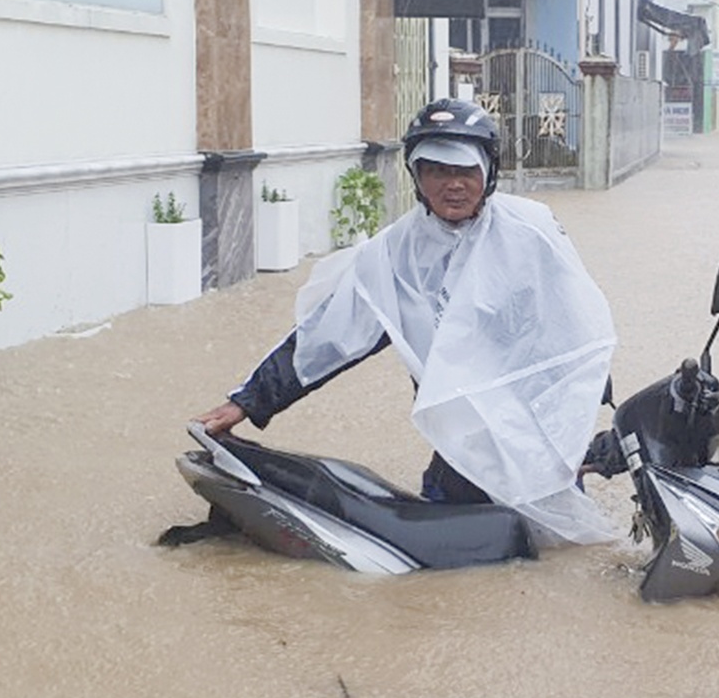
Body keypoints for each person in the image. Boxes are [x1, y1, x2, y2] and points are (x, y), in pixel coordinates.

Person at [194, 98, 619, 547]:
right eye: (437, 171)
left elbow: (576, 326)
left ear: (489, 172)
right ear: (416, 176)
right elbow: (328, 337)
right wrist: (248, 401)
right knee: (447, 555)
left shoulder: (531, 231)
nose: (453, 185)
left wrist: (581, 412)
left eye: (465, 172)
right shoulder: (394, 256)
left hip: (534, 438)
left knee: (558, 553)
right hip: (460, 440)